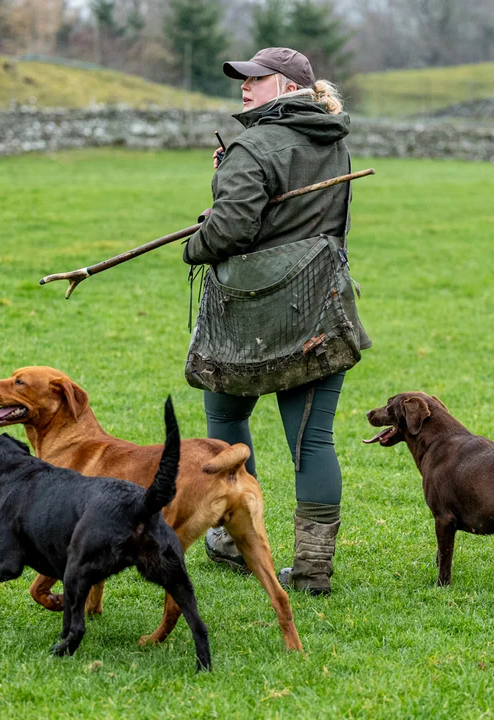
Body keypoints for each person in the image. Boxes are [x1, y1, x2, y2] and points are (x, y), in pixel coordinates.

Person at [182, 48, 370, 595]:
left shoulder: (253, 145)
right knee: (312, 443)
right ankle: (312, 571)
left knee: (225, 424)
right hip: (318, 308)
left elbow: (231, 233)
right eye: (244, 79)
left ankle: (231, 538)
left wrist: (197, 243)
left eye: (256, 79)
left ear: (287, 88)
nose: (245, 87)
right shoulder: (334, 141)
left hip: (245, 314)